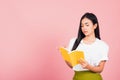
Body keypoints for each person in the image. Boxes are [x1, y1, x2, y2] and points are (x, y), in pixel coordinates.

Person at [66, 12, 109, 80]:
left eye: (87, 25)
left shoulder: (102, 45)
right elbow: (72, 66)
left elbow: (100, 69)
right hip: (77, 78)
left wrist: (88, 66)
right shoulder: (74, 42)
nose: (84, 28)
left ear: (95, 26)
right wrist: (65, 54)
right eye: (82, 26)